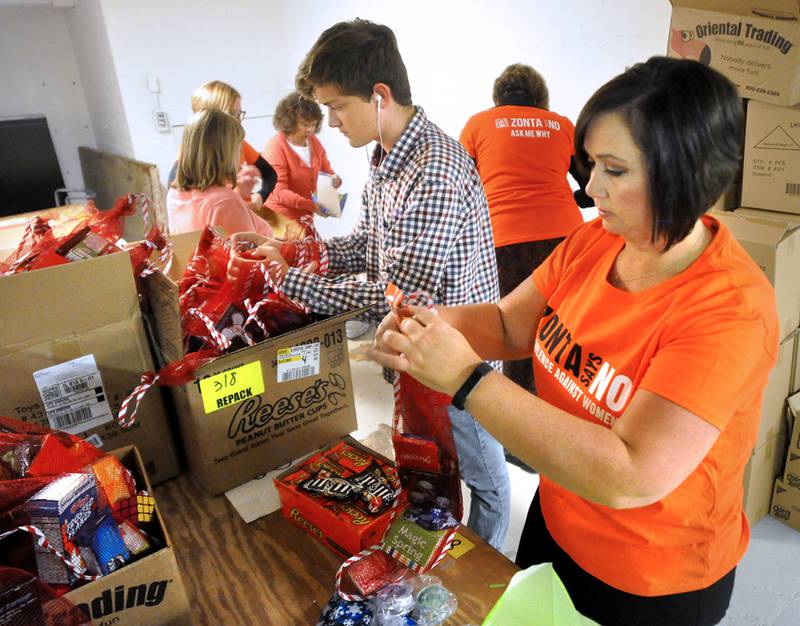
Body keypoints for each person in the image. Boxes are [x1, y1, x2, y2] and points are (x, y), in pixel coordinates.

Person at [369, 56, 779, 626]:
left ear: (682, 175)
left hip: (651, 577)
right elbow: (511, 325)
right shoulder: (594, 240)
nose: (590, 186)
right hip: (559, 515)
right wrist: (430, 325)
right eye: (591, 164)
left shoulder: (729, 310)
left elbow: (629, 474)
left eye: (614, 170)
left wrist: (465, 377)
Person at [230, 19, 511, 550]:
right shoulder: (385, 157)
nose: (330, 121)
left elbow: (397, 289)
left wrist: (295, 283)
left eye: (337, 107)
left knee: (488, 481)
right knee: (433, 470)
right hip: (419, 353)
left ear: (379, 95)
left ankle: (484, 572)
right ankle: (444, 549)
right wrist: (297, 251)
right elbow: (367, 243)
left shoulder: (435, 169)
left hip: (461, 356)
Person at [460, 64, 589, 400]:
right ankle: (563, 406)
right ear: (540, 95)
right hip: (567, 241)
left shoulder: (479, 124)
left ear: (498, 96)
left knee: (512, 330)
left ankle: (519, 426)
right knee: (564, 328)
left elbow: (461, 187)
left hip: (504, 240)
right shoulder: (561, 125)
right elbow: (591, 186)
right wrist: (565, 197)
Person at [167, 80, 277, 215]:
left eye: (239, 113)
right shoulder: (187, 161)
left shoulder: (240, 144)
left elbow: (270, 173)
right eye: (232, 114)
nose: (238, 121)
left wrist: (260, 197)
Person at [167, 108, 273, 237]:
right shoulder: (225, 201)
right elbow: (248, 250)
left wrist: (241, 196)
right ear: (225, 154)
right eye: (238, 146)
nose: (240, 151)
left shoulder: (175, 193)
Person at [263, 92, 342, 224]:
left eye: (314, 124)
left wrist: (334, 179)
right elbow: (279, 192)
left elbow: (326, 171)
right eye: (306, 124)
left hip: (305, 219)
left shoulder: (313, 142)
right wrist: (310, 205)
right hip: (280, 221)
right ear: (290, 123)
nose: (311, 130)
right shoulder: (275, 147)